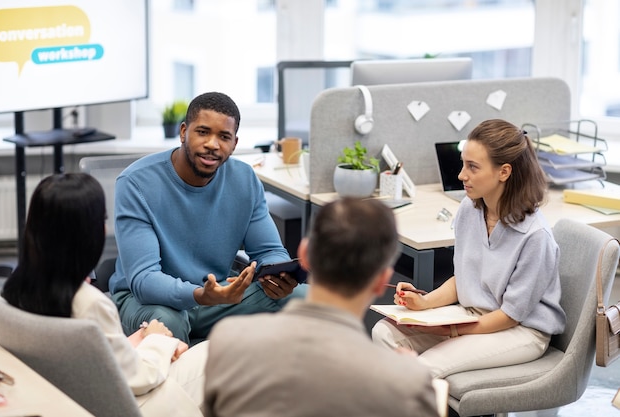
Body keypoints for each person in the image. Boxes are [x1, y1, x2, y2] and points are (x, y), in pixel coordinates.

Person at [204, 197, 440, 417]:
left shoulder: (227, 340)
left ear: (304, 255)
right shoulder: (406, 381)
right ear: (382, 281)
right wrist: (409, 375)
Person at [372, 119, 567, 378]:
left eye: (472, 167)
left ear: (504, 172)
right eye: (464, 164)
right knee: (383, 333)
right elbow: (464, 277)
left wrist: (452, 330)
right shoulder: (470, 209)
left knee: (423, 368)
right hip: (472, 313)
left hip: (519, 330)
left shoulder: (535, 236)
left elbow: (511, 315)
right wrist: (424, 303)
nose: (461, 175)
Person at [109, 91, 308, 344]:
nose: (213, 144)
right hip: (147, 301)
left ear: (234, 143)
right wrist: (200, 295)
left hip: (218, 296)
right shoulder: (136, 183)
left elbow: (269, 251)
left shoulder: (244, 179)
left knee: (307, 300)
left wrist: (278, 279)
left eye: (223, 137)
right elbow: (144, 281)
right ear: (183, 132)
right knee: (167, 323)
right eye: (203, 132)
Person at [1, 173, 207, 417]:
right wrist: (158, 340)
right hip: (128, 406)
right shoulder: (89, 302)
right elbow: (138, 379)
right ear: (91, 233)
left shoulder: (11, 292)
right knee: (215, 352)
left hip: (62, 399)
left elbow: (92, 357)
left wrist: (142, 336)